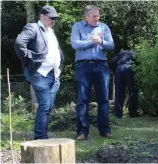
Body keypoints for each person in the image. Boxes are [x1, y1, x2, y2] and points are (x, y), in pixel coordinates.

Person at [14, 5, 64, 140]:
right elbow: (19, 43)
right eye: (51, 18)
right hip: (40, 74)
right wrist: (29, 58)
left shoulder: (51, 31)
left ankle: (43, 136)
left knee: (48, 107)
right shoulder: (33, 27)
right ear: (42, 16)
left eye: (55, 18)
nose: (53, 20)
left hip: (55, 74)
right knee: (45, 105)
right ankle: (39, 138)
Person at [71, 5, 115, 140]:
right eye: (94, 16)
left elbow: (111, 45)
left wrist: (101, 41)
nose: (97, 18)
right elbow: (75, 44)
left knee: (103, 99)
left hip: (101, 65)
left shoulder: (104, 27)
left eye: (98, 15)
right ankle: (82, 131)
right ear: (87, 16)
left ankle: (104, 130)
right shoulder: (77, 27)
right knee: (82, 99)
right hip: (83, 66)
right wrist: (92, 42)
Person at [109, 50, 139, 118]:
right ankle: (133, 113)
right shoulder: (135, 54)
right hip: (130, 68)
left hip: (119, 70)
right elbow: (139, 65)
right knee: (133, 91)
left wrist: (115, 71)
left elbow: (111, 62)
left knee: (118, 93)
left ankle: (118, 114)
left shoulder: (121, 53)